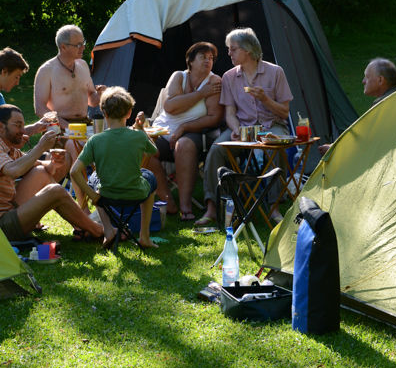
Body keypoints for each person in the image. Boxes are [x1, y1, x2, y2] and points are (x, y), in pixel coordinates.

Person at [194, 27, 292, 227]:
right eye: (229, 49)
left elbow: (284, 112)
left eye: (233, 49)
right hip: (243, 127)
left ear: (248, 50)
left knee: (275, 147)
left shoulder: (275, 72)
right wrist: (236, 128)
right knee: (216, 150)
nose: (229, 53)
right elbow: (229, 112)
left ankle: (273, 208)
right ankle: (212, 208)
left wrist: (265, 99)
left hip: (272, 125)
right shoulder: (230, 77)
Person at [0, 104, 103, 242]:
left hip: (5, 212)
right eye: (18, 125)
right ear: (1, 126)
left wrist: (52, 164)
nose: (22, 130)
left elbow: (35, 164)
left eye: (23, 126)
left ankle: (82, 227)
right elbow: (14, 170)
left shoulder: (9, 149)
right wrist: (41, 146)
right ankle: (99, 231)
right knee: (55, 191)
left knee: (40, 173)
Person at [70, 86, 159, 250]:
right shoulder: (138, 136)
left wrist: (92, 196)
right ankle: (144, 236)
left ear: (104, 113)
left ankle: (108, 229)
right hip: (135, 192)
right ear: (129, 113)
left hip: (106, 194)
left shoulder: (95, 140)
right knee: (150, 177)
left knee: (95, 178)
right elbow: (153, 151)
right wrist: (142, 130)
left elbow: (74, 171)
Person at [143, 41, 223, 222]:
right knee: (144, 147)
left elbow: (214, 117)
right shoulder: (179, 76)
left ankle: (185, 205)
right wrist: (201, 94)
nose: (208, 61)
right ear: (191, 61)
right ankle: (167, 201)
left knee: (184, 144)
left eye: (211, 58)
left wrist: (184, 127)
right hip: (163, 129)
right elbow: (170, 106)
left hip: (196, 131)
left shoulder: (214, 82)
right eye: (203, 57)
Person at [318, 58, 396, 155]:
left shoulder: (383, 105)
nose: (363, 81)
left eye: (367, 77)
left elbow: (363, 140)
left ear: (380, 80)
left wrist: (334, 149)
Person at [0, 47, 53, 150]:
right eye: (16, 76)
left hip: (5, 158)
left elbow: (6, 134)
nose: (17, 82)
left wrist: (35, 128)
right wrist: (8, 144)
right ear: (4, 72)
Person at [33, 24, 105, 127]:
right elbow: (40, 109)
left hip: (84, 123)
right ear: (63, 47)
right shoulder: (46, 70)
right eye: (78, 45)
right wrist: (67, 127)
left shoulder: (83, 65)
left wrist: (100, 94)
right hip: (58, 126)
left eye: (83, 43)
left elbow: (92, 101)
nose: (83, 47)